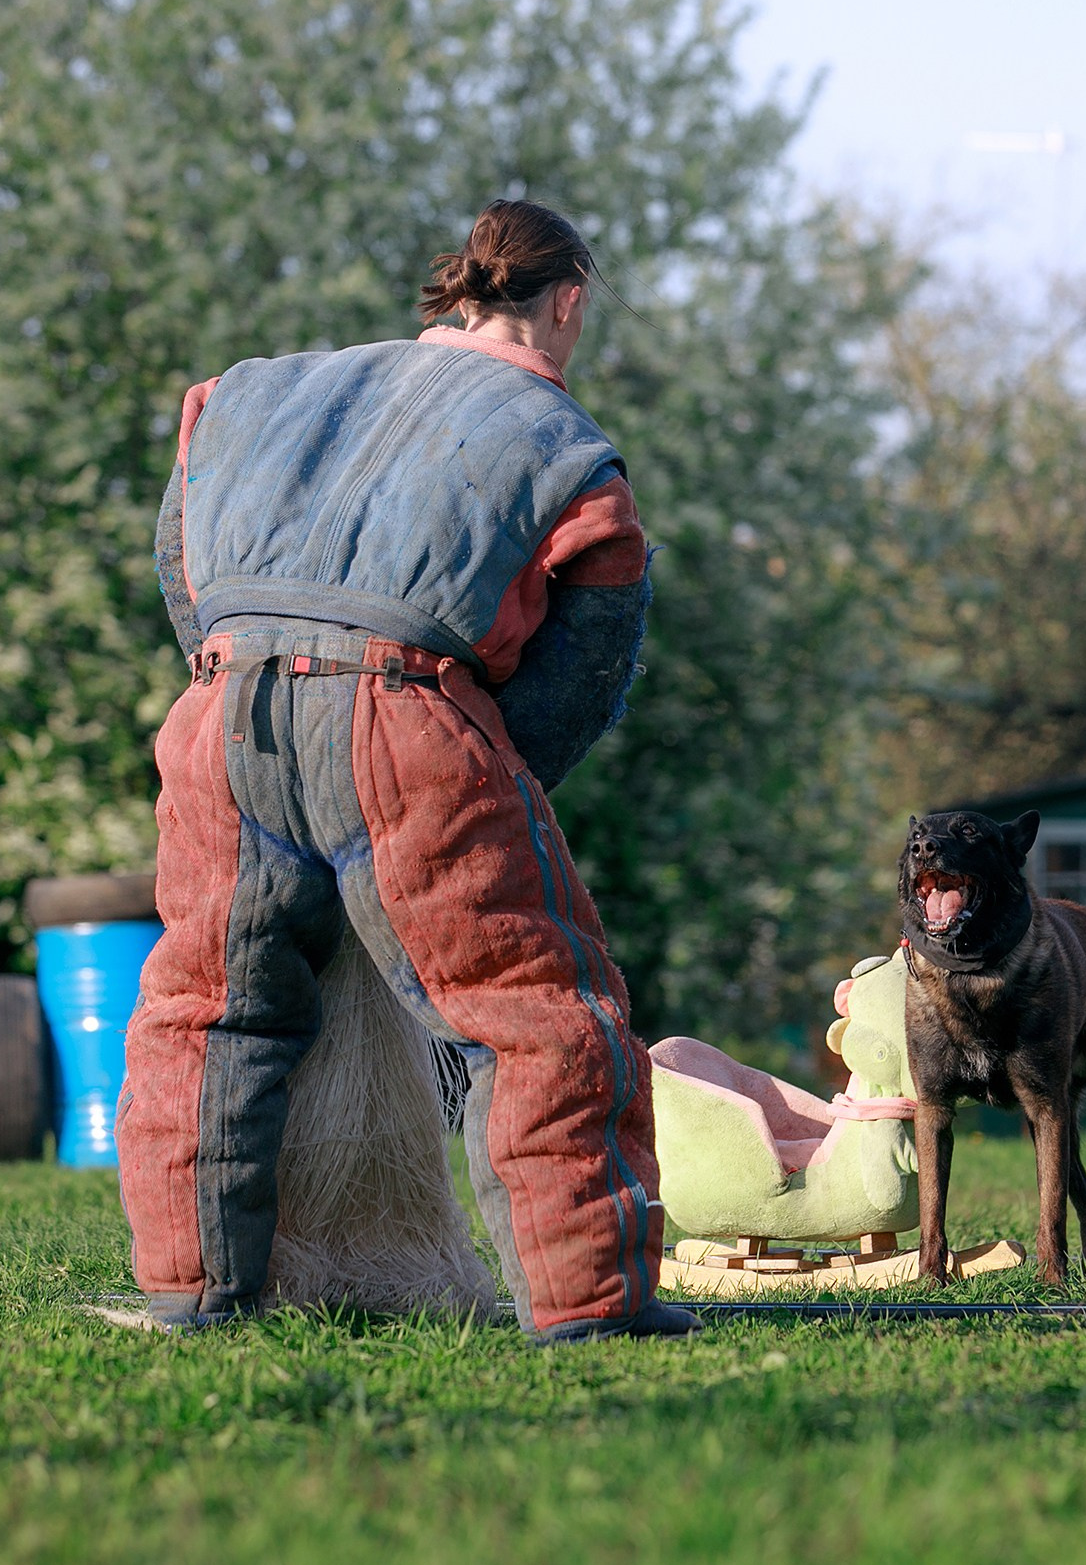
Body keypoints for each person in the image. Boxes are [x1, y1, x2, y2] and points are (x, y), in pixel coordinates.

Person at [119, 199, 698, 1343]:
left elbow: (178, 559)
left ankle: (190, 1292)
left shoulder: (251, 390)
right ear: (566, 302)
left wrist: (224, 672)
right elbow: (587, 660)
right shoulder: (564, 447)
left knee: (202, 1011)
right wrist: (485, 772)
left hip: (219, 713)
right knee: (537, 1017)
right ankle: (588, 1304)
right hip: (406, 717)